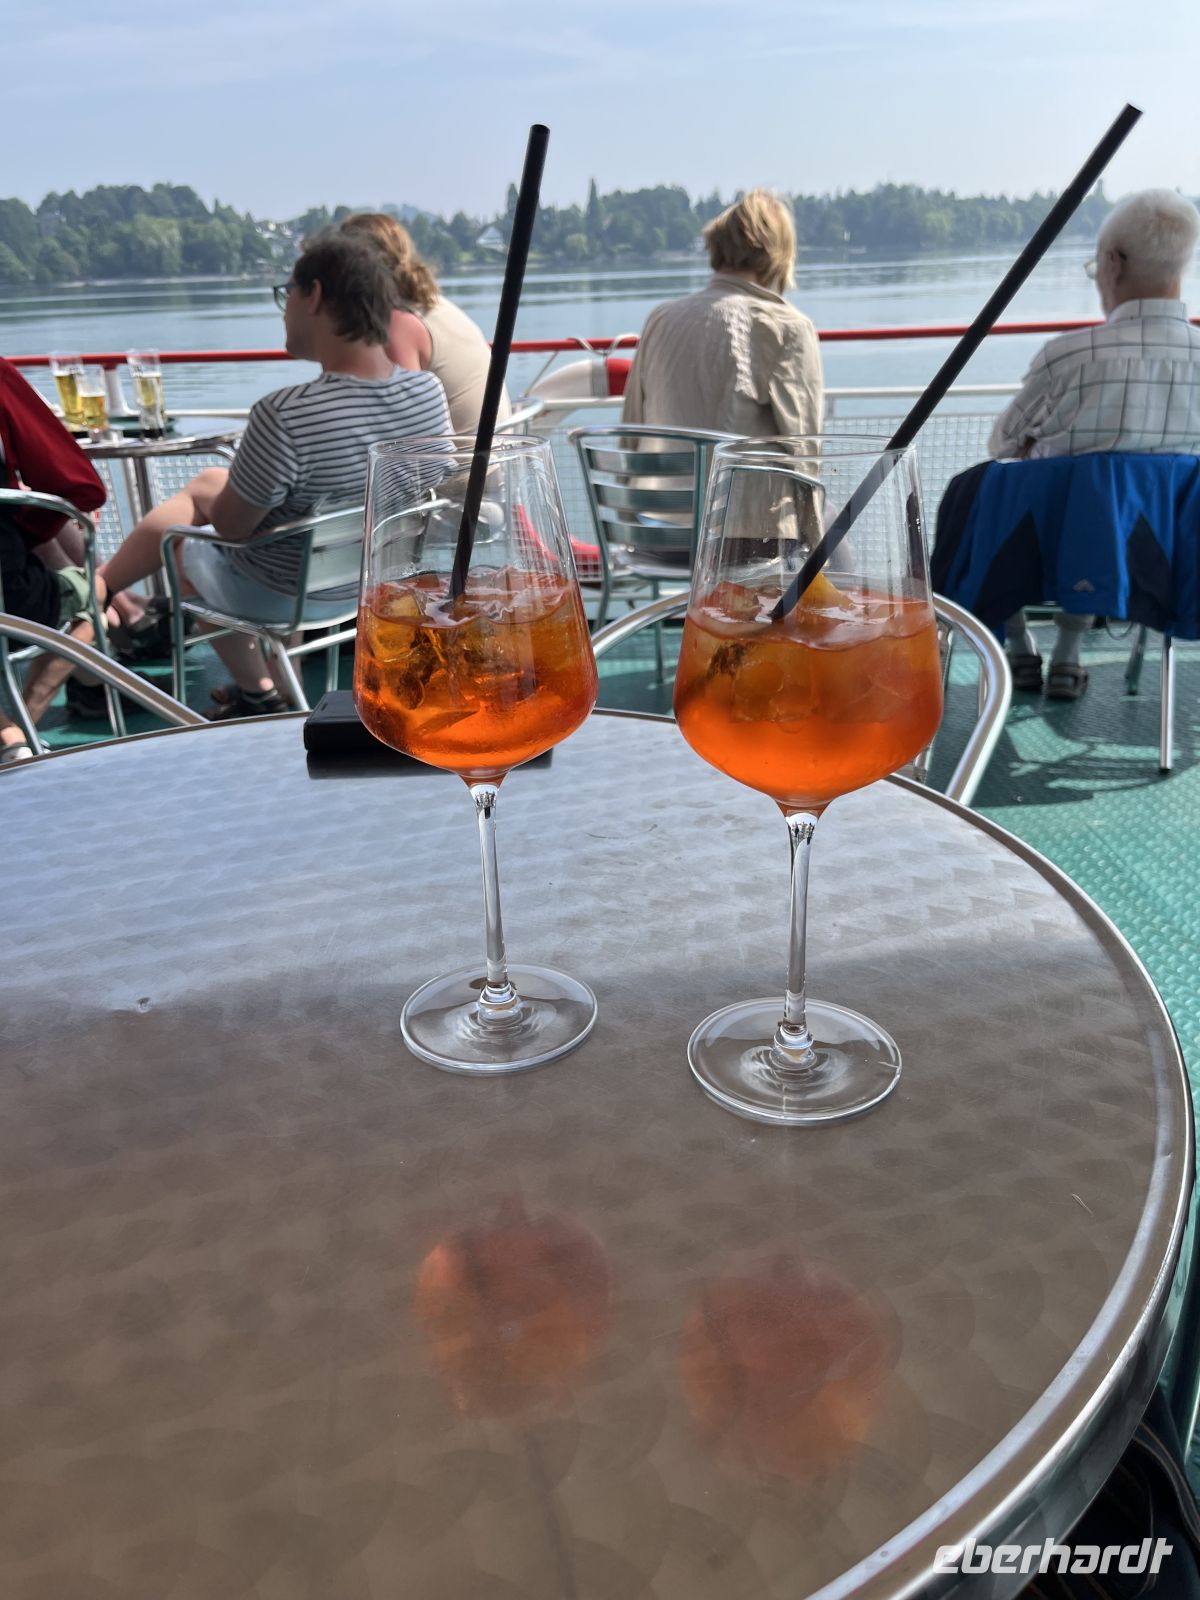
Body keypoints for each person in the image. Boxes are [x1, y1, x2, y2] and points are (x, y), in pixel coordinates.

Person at [98, 230, 451, 719]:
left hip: (287, 595)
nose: (284, 312)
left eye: (287, 295)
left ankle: (256, 689)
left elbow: (232, 527)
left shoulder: (284, 414)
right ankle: (109, 588)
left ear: (315, 295)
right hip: (376, 582)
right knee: (210, 485)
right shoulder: (427, 391)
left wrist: (218, 503)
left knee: (180, 545)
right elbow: (432, 476)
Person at [988, 189, 1200, 699]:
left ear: (1112, 263)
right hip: (1179, 565)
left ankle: (1022, 647)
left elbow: (1002, 443)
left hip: (1059, 553)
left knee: (999, 497)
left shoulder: (1068, 356)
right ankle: (1067, 655)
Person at [622, 189, 823, 439]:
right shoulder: (788, 327)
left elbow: (631, 430)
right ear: (780, 255)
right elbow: (804, 446)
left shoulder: (660, 319)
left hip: (657, 465)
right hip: (734, 466)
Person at [0, 354, 112, 761]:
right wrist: (27, 533)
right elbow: (80, 487)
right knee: (94, 598)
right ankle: (17, 734)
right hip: (11, 601)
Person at [340, 212, 508, 435]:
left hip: (464, 456)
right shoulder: (435, 304)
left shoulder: (398, 324)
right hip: (498, 445)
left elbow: (405, 420)